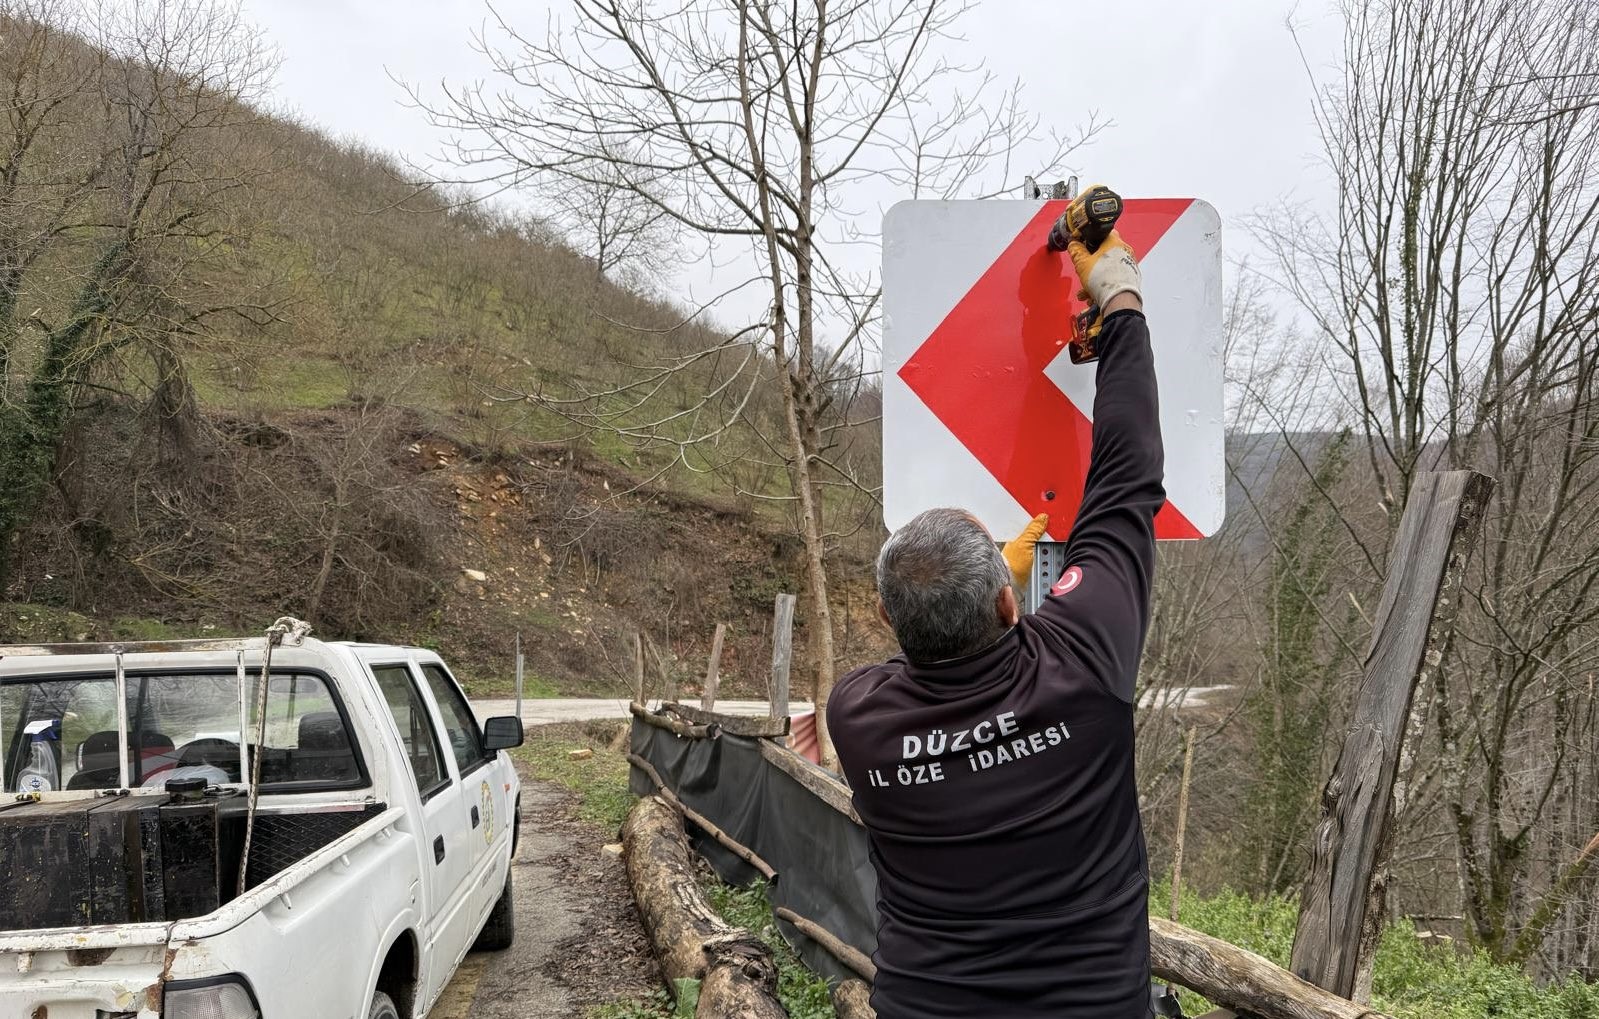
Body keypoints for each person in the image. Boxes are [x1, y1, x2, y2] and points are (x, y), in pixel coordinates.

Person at [827, 229, 1162, 1018]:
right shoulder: (1082, 661)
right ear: (1008, 603)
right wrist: (1118, 298)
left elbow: (920, 660)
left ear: (884, 616)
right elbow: (1126, 474)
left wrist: (978, 587)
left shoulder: (859, 718)